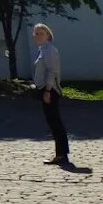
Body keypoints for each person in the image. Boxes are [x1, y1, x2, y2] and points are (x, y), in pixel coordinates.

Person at [31, 23, 70, 166]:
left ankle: (61, 154)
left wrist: (47, 91)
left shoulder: (50, 50)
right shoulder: (42, 50)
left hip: (50, 90)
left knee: (55, 122)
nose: (37, 36)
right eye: (35, 33)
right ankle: (60, 153)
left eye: (41, 33)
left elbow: (52, 71)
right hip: (45, 89)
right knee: (53, 122)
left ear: (48, 34)